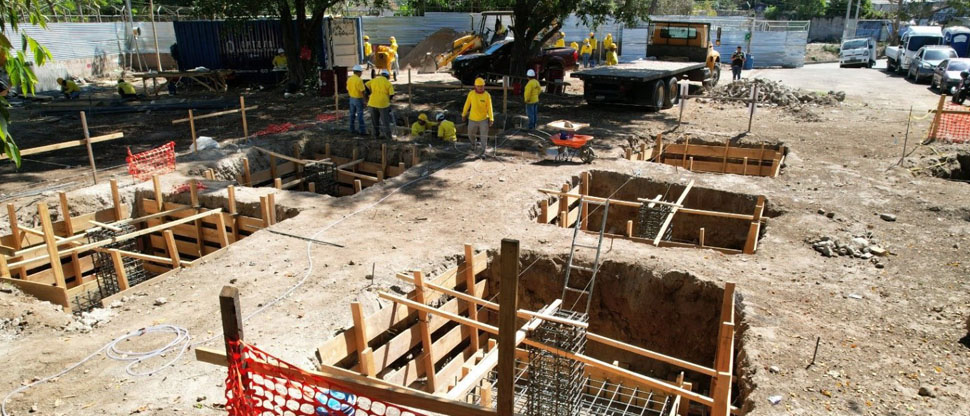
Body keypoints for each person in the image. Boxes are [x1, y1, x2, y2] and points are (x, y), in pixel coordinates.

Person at [462, 77, 493, 153]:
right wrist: (464, 114)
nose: (480, 88)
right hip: (472, 118)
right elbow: (467, 105)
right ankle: (473, 144)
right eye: (478, 86)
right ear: (475, 86)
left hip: (483, 119)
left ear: (484, 86)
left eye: (481, 86)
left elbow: (489, 107)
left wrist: (491, 118)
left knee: (484, 136)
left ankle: (483, 150)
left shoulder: (487, 95)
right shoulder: (471, 94)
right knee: (470, 133)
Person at [366, 69, 395, 140]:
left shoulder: (374, 80)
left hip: (372, 103)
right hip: (383, 104)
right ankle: (388, 137)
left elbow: (366, 85)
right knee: (385, 121)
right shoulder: (388, 83)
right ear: (388, 76)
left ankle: (375, 135)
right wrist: (388, 100)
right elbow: (391, 94)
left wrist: (369, 93)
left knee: (374, 121)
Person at [346, 65, 367, 135]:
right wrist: (365, 100)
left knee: (352, 114)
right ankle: (362, 130)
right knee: (360, 115)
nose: (361, 74)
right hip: (358, 99)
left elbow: (348, 89)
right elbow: (362, 91)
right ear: (358, 72)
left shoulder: (349, 79)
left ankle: (351, 129)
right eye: (361, 72)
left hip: (351, 99)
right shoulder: (359, 80)